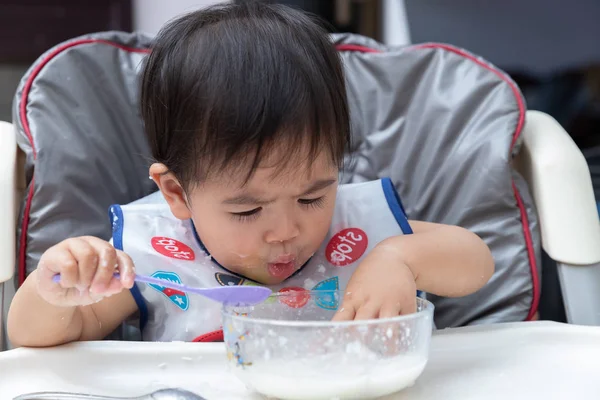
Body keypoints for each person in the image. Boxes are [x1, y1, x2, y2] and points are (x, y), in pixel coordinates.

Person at [7, 2, 494, 347]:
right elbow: (37, 336)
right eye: (247, 208)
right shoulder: (154, 256)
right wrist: (57, 290)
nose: (287, 230)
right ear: (177, 193)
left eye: (311, 198)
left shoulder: (360, 231)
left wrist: (400, 259)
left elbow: (476, 262)